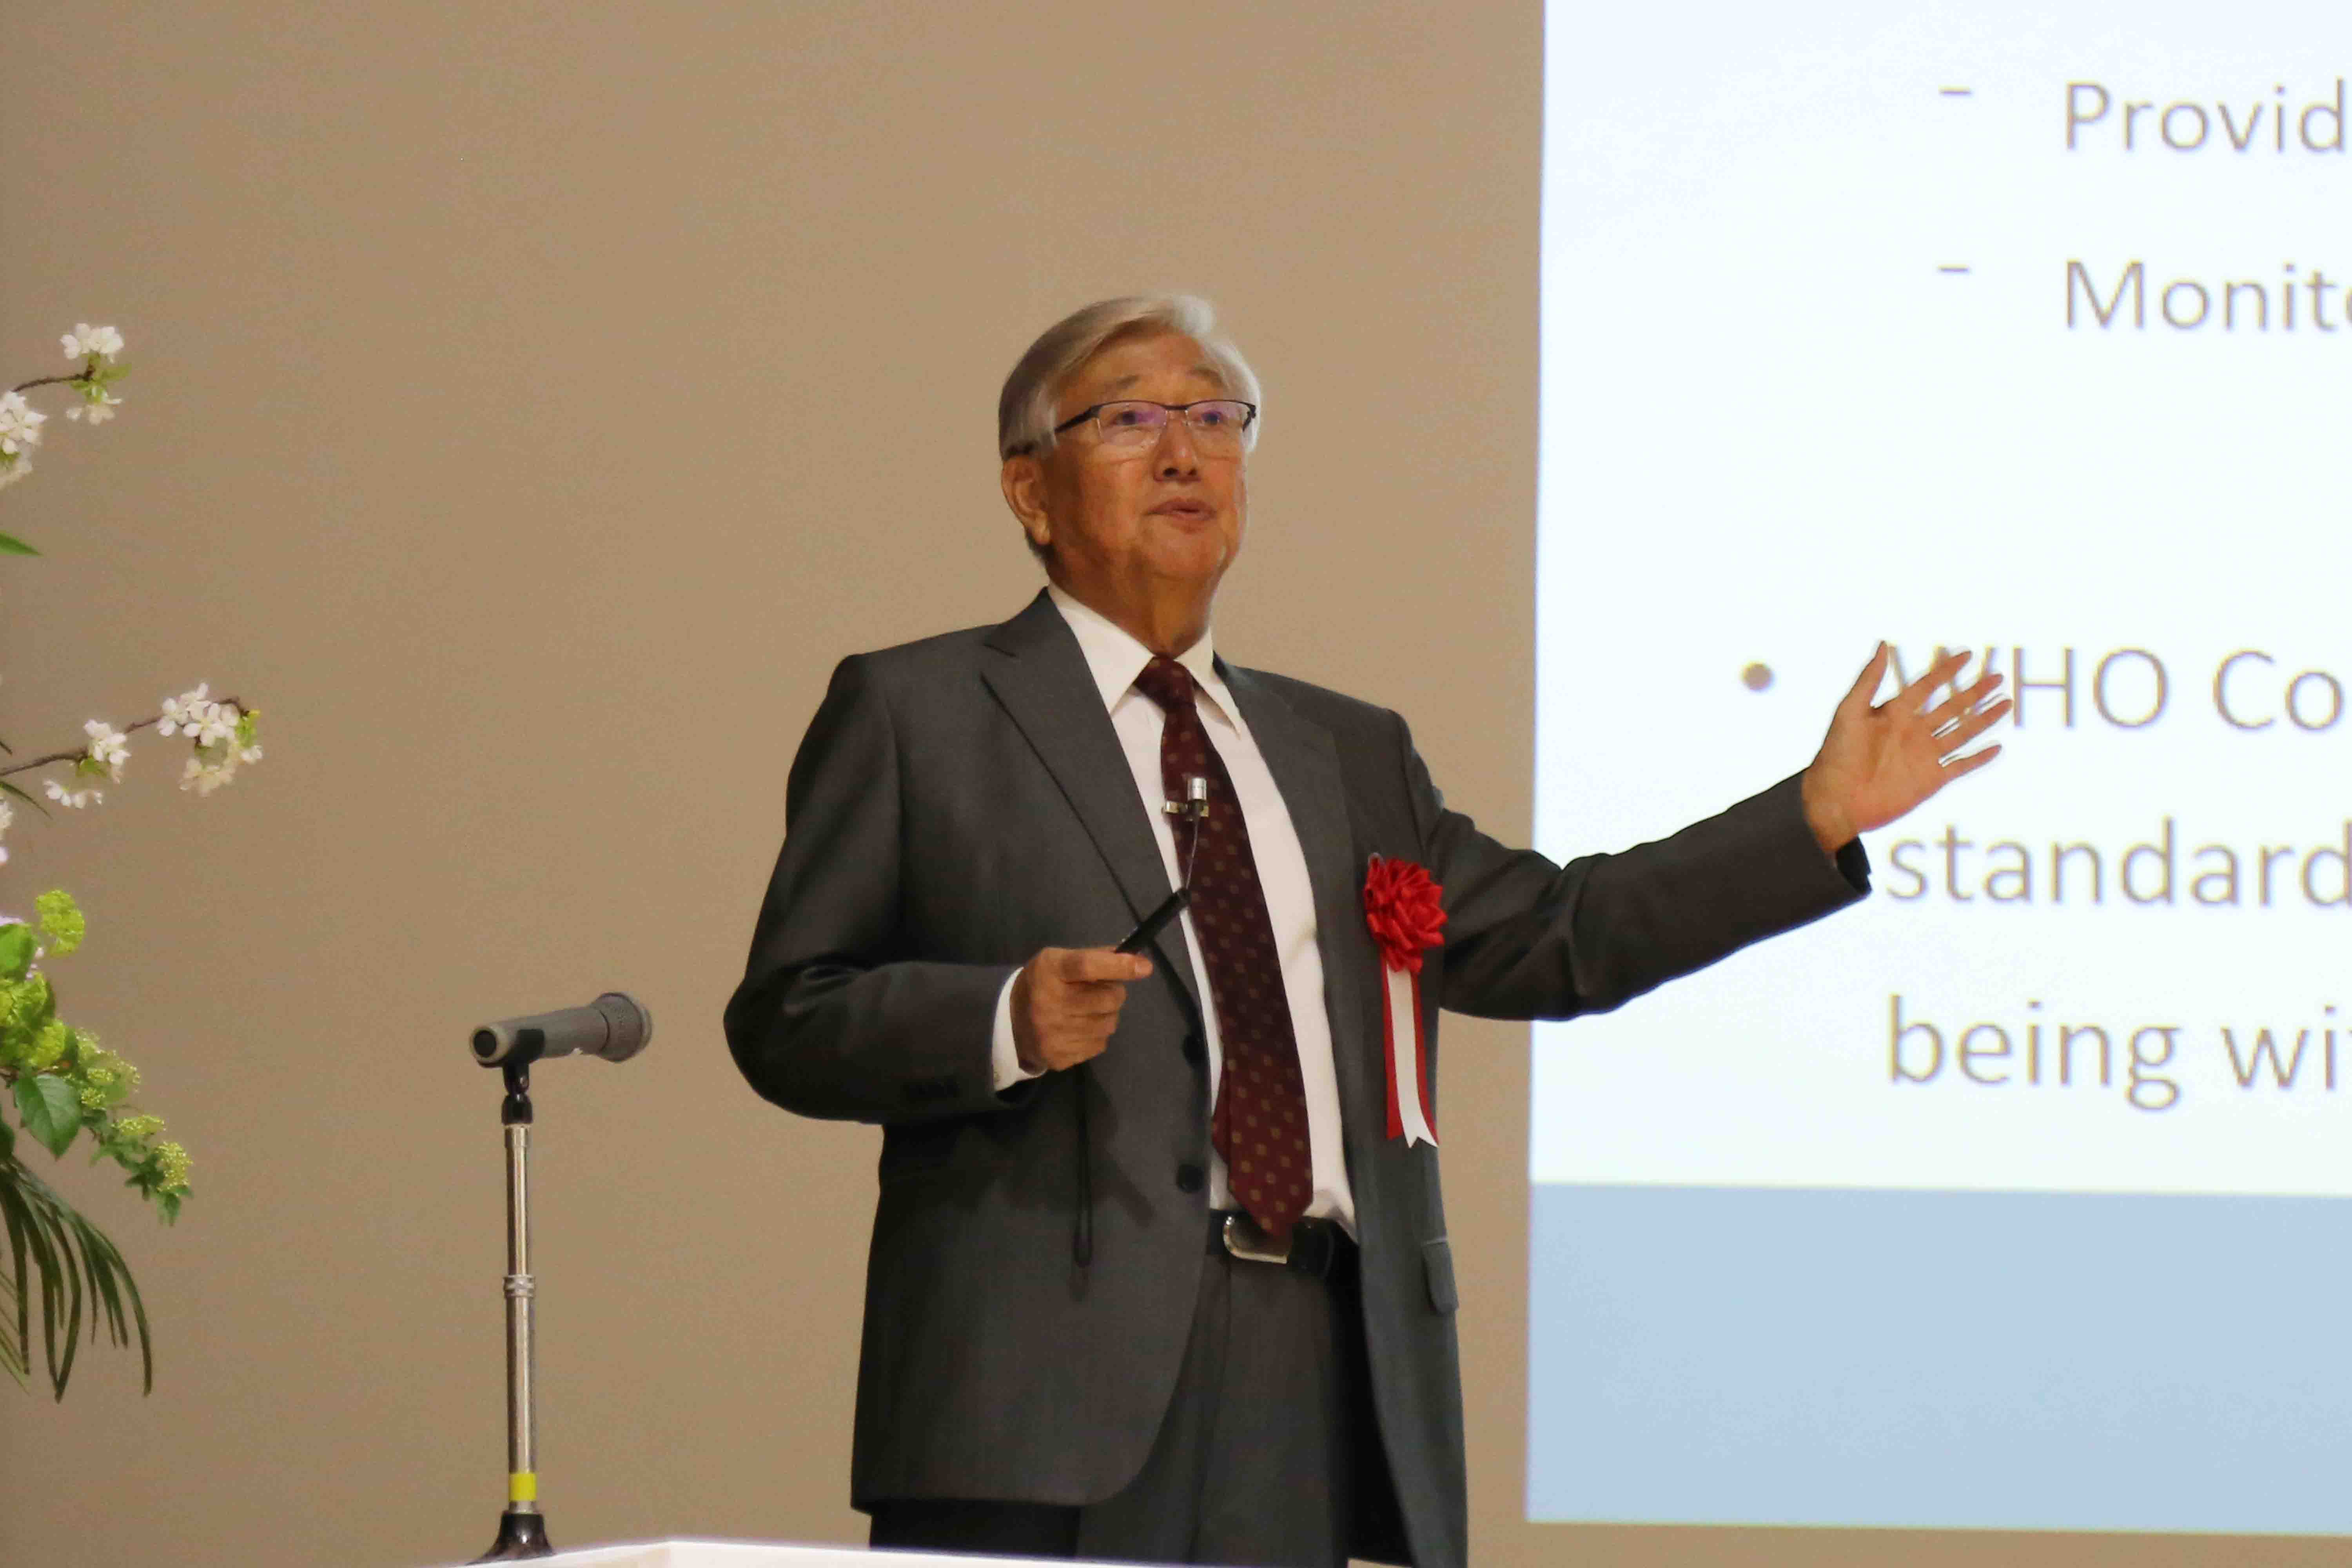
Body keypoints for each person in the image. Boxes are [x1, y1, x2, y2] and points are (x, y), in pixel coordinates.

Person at [722, 295, 2006, 1568]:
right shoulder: (922, 710)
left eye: (1218, 418)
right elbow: (789, 1015)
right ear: (1030, 490)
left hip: (1315, 1360)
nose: (1187, 452)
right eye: (1130, 419)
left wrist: (1813, 816)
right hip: (1040, 1395)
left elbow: (1560, 934)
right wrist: (1001, 1019)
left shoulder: (1345, 750)